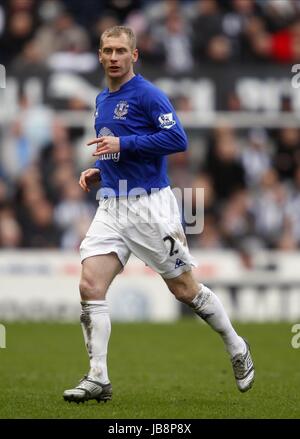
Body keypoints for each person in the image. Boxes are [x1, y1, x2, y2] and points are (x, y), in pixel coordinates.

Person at [63, 26, 254, 404]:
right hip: (113, 204)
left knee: (185, 290)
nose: (114, 57)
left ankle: (237, 345)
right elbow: (120, 148)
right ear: (99, 55)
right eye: (107, 50)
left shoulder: (148, 95)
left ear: (134, 56)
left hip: (150, 206)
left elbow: (177, 139)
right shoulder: (102, 97)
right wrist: (102, 167)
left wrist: (123, 143)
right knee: (90, 285)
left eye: (121, 51)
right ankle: (98, 377)